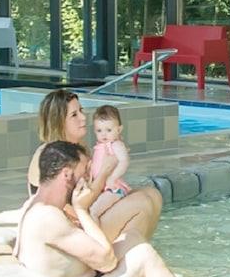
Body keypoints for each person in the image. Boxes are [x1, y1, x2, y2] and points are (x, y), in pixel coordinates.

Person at [15, 140, 196, 277]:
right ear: (67, 175)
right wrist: (81, 209)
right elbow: (107, 261)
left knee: (133, 238)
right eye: (85, 172)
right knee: (143, 254)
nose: (88, 179)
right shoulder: (48, 217)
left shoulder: (33, 206)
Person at [26, 88, 162, 246]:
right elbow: (71, 204)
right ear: (58, 121)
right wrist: (106, 170)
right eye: (74, 115)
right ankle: (121, 254)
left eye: (81, 110)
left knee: (152, 194)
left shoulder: (78, 148)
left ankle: (132, 249)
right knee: (142, 203)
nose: (83, 117)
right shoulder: (48, 155)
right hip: (68, 228)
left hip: (84, 215)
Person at [87, 104, 133, 218]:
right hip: (102, 187)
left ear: (119, 129)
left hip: (113, 188)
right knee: (93, 209)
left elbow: (124, 161)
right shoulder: (100, 146)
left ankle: (93, 227)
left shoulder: (115, 144)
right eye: (99, 130)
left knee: (95, 211)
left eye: (108, 130)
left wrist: (112, 178)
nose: (104, 134)